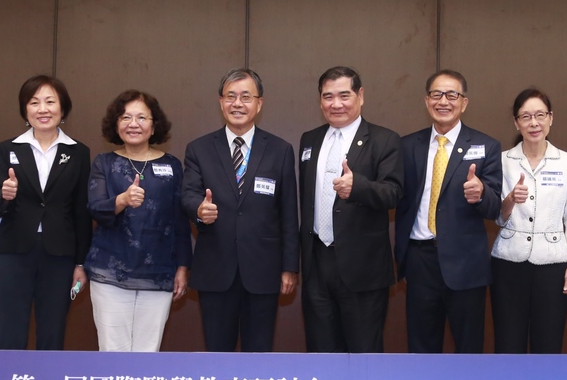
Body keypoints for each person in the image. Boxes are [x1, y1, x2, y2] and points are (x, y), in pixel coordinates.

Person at [182, 68, 299, 352]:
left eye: (246, 97)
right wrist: (199, 209)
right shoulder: (199, 149)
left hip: (263, 270)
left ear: (259, 103)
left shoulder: (280, 150)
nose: (238, 104)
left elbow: (288, 212)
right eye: (231, 96)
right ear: (220, 102)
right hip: (216, 268)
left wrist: (289, 267)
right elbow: (188, 194)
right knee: (217, 352)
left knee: (258, 353)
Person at [395, 69, 501, 353]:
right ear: (426, 100)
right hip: (420, 259)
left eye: (452, 95)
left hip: (465, 264)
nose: (444, 101)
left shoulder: (487, 146)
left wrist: (481, 195)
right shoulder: (406, 146)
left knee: (468, 348)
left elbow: (495, 209)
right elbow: (398, 199)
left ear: (464, 102)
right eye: (436, 94)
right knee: (421, 346)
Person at [298, 66, 403, 353]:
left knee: (363, 355)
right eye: (328, 96)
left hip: (363, 270)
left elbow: (394, 193)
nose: (336, 104)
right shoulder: (309, 140)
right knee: (321, 354)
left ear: (360, 96)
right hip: (316, 264)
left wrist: (357, 188)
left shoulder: (384, 140)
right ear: (320, 101)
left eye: (344, 95)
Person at [0, 74, 92, 351]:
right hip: (13, 252)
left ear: (63, 108)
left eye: (50, 101)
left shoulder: (79, 152)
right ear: (25, 110)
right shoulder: (8, 148)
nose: (42, 109)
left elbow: (81, 211)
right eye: (34, 102)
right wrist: (6, 196)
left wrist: (81, 263)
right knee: (11, 333)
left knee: (52, 332)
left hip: (59, 255)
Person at [84, 90, 191, 352]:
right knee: (113, 352)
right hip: (110, 272)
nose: (134, 124)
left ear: (154, 126)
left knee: (147, 354)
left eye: (142, 117)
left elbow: (180, 221)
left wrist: (183, 266)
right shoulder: (104, 163)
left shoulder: (172, 166)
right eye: (126, 117)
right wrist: (121, 200)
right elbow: (95, 209)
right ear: (116, 124)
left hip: (158, 273)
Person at [489, 88, 567, 353]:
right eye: (526, 116)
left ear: (551, 118)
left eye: (540, 115)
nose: (534, 123)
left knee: (549, 343)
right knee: (508, 344)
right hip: (508, 262)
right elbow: (497, 215)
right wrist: (509, 199)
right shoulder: (502, 161)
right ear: (516, 122)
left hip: (553, 264)